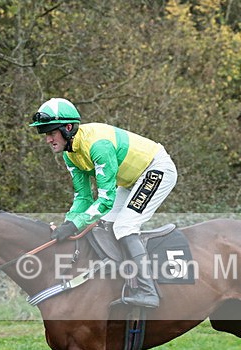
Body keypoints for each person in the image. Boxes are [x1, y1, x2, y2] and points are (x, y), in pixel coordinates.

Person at [29, 97, 178, 308]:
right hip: (131, 180)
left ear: (68, 128)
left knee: (125, 226)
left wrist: (75, 224)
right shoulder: (70, 155)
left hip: (156, 169)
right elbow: (83, 197)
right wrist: (68, 223)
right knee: (103, 224)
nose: (48, 139)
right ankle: (121, 279)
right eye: (45, 134)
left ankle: (148, 291)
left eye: (52, 133)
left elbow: (105, 200)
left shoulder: (99, 146)